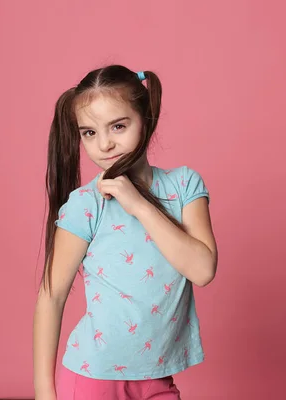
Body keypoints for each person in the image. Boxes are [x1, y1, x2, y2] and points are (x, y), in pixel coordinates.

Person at [32, 65, 218, 399]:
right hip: (93, 377)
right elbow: (52, 296)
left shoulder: (184, 186)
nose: (104, 144)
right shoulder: (86, 204)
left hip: (158, 379)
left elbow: (202, 270)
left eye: (118, 126)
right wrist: (43, 393)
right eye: (89, 132)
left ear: (145, 119)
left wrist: (139, 206)